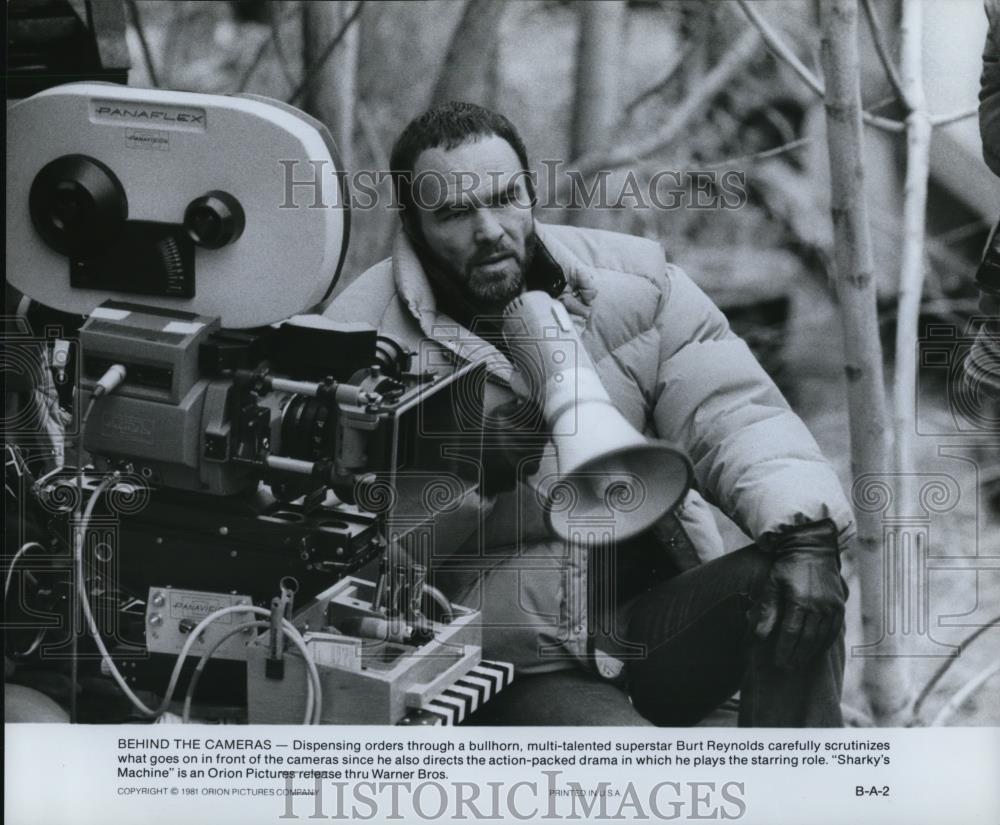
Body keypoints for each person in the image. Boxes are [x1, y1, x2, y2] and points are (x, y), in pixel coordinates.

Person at [324, 102, 854, 727]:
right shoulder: (360, 336)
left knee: (796, 589)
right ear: (412, 221)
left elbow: (737, 414)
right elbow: (342, 566)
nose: (490, 229)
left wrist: (806, 530)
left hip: (651, 617)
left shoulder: (635, 282)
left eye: (506, 197)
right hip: (507, 659)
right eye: (456, 213)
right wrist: (467, 472)